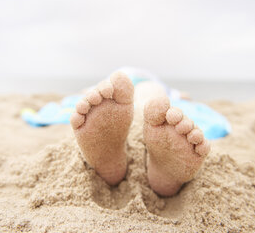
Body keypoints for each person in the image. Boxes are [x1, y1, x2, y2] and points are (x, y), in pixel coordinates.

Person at [70, 71, 210, 196]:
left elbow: (86, 93)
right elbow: (183, 95)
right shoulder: (152, 79)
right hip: (147, 86)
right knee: (153, 98)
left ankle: (110, 164)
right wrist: (184, 96)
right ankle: (165, 180)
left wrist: (87, 94)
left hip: (114, 90)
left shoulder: (110, 83)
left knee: (151, 103)